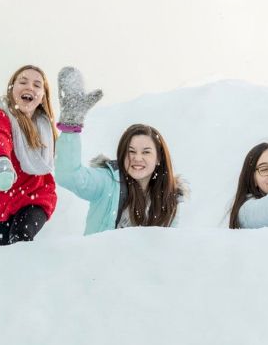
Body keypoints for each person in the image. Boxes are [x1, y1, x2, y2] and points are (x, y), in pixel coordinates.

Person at [54, 67, 187, 235]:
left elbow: (168, 248)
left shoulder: (169, 198)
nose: (137, 158)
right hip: (99, 260)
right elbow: (69, 176)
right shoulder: (107, 182)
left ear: (159, 158)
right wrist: (70, 126)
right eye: (131, 151)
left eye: (146, 152)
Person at [0, 65, 58, 246]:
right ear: (11, 88)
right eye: (23, 82)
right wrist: (2, 159)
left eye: (37, 85)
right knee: (5, 253)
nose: (30, 87)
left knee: (20, 238)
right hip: (1, 200)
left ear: (43, 96)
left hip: (35, 197)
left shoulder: (45, 129)